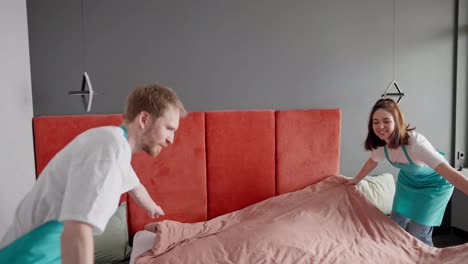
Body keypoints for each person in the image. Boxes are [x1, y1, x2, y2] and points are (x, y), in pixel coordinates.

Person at [0, 83, 187, 263]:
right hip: (30, 255)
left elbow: (136, 187)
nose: (171, 139)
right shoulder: (109, 149)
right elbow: (78, 229)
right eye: (169, 128)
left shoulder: (114, 146)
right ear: (144, 119)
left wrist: (152, 206)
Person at [347, 98, 468, 246]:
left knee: (418, 234)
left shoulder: (415, 144)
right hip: (408, 182)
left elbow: (450, 174)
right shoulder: (381, 145)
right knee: (394, 225)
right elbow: (372, 162)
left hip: (435, 185)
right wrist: (356, 180)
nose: (380, 126)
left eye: (386, 121)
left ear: (397, 122)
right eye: (375, 122)